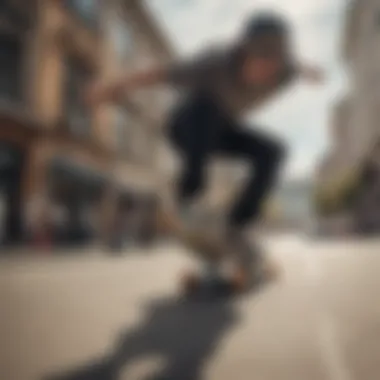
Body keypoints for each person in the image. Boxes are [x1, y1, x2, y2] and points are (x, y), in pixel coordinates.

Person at [85, 12, 323, 279]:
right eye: (260, 61)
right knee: (206, 110)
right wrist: (110, 86)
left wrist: (309, 71)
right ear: (243, 52)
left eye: (273, 65)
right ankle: (189, 197)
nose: (265, 73)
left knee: (273, 151)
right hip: (185, 127)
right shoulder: (214, 63)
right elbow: (157, 74)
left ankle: (237, 225)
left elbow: (296, 66)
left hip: (222, 132)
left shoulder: (284, 72)